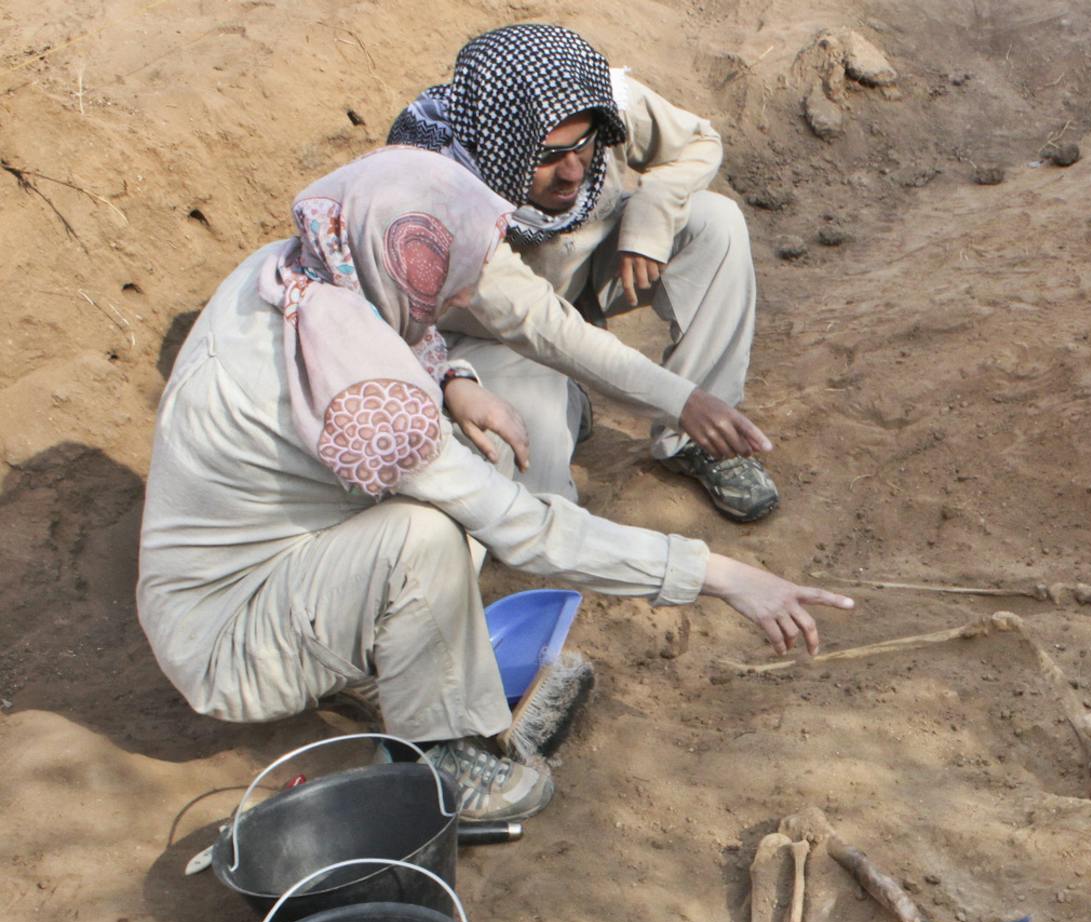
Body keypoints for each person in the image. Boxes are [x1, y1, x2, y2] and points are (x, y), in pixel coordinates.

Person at [136, 147, 849, 820]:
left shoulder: (302, 271)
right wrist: (723, 577)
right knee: (430, 535)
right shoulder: (371, 407)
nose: (470, 293)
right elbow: (528, 530)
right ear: (404, 261)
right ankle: (444, 759)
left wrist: (453, 377)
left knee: (442, 495)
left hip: (240, 575)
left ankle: (384, 656)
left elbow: (401, 337)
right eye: (458, 277)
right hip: (228, 642)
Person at [387, 25, 778, 523]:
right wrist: (681, 398)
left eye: (584, 147)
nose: (573, 172)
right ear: (501, 146)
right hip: (494, 335)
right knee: (535, 502)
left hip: (586, 277)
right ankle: (568, 401)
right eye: (548, 157)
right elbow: (543, 327)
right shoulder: (442, 192)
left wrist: (652, 212)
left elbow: (700, 140)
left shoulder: (596, 99)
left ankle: (697, 443)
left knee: (715, 223)